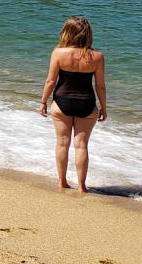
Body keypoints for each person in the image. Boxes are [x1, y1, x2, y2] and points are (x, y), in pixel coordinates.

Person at [40, 16, 107, 193]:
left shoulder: (58, 53)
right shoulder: (97, 57)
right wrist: (104, 107)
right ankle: (82, 186)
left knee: (62, 143)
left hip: (62, 103)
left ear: (67, 33)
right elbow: (100, 86)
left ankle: (62, 182)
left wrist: (43, 101)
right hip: (87, 104)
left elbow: (50, 81)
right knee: (82, 145)